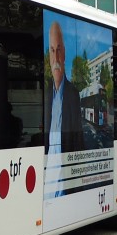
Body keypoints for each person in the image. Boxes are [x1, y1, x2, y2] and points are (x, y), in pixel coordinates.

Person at [45, 20, 83, 155]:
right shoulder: (46, 93)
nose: (55, 58)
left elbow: (78, 140)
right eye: (52, 50)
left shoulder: (73, 94)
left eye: (59, 50)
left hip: (65, 166)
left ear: (64, 53)